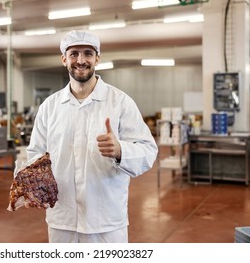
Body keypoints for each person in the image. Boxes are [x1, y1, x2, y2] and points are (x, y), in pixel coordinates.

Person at [26, 30, 158, 243]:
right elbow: (35, 154)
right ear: (64, 59)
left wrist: (120, 150)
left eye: (88, 53)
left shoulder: (120, 102)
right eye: (74, 54)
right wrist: (33, 182)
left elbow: (148, 150)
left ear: (97, 58)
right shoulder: (49, 107)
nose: (81, 60)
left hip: (106, 221)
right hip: (62, 220)